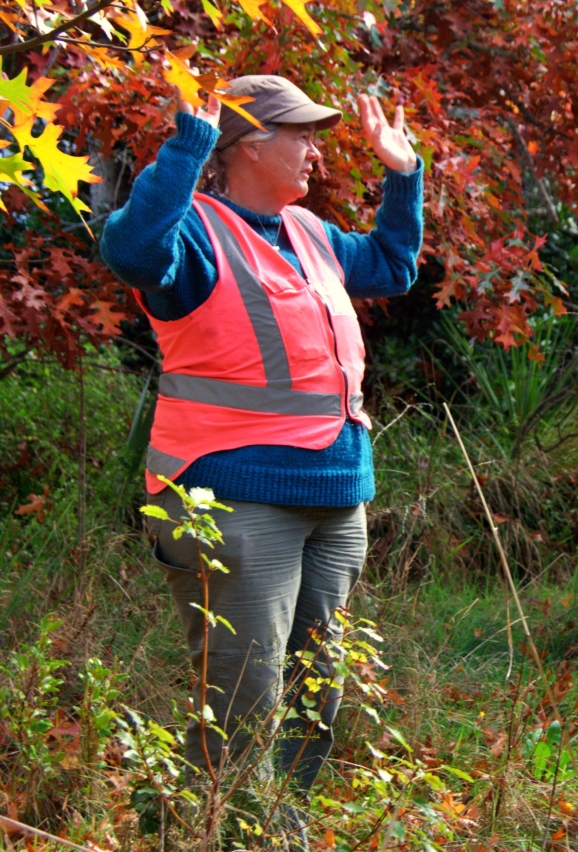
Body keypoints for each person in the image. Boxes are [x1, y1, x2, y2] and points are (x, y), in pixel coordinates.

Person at [100, 75, 423, 813]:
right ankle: (213, 829)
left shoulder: (309, 232)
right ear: (247, 144)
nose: (316, 149)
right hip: (235, 502)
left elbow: (393, 266)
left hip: (336, 498)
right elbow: (132, 250)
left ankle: (281, 827)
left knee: (318, 693)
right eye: (301, 133)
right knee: (244, 700)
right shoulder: (193, 234)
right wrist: (189, 145)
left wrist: (404, 175)